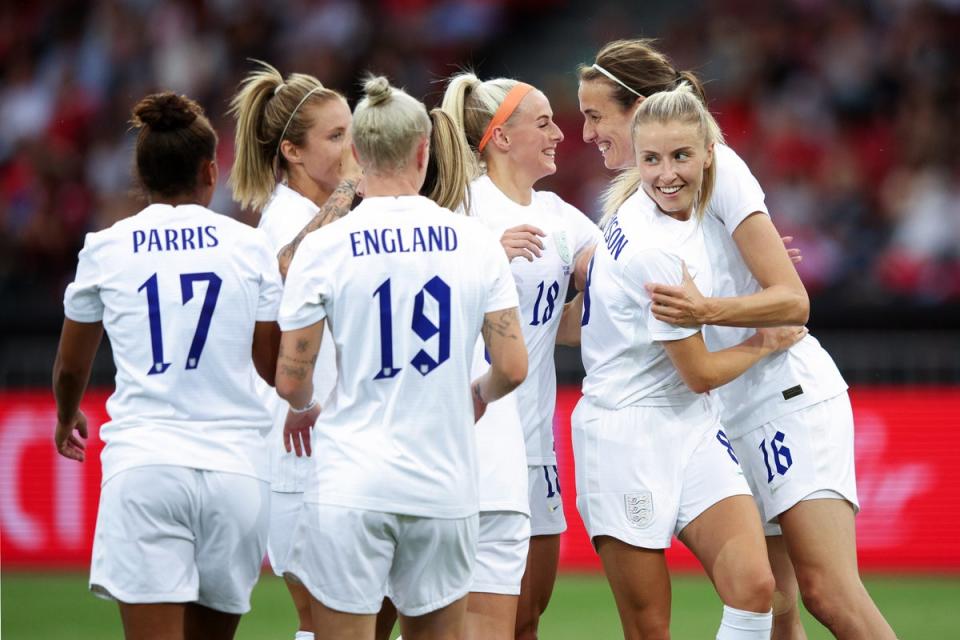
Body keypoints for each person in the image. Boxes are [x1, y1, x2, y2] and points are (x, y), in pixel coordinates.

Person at [578, 39, 896, 639]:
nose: (589, 131)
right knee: (773, 604)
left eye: (597, 115)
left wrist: (712, 306)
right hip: (725, 405)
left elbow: (793, 300)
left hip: (783, 394)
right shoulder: (637, 203)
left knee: (829, 592)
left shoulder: (720, 169)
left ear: (642, 108)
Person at [275, 75, 528, 640]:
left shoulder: (322, 246)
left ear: (358, 154)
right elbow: (512, 366)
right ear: (424, 150)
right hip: (445, 488)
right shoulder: (475, 241)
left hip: (350, 485)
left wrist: (309, 403)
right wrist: (478, 395)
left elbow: (291, 377)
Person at [571, 84, 809, 639]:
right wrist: (763, 341)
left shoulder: (670, 217)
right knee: (650, 628)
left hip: (692, 426)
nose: (664, 174)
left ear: (709, 154)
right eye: (651, 159)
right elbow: (699, 371)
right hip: (625, 434)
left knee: (755, 588)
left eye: (679, 156)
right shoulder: (656, 249)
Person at [53, 92, 283, 640]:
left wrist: (66, 417)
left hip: (147, 466)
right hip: (236, 471)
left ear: (142, 175)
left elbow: (69, 367)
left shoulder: (105, 248)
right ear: (210, 171)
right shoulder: (250, 248)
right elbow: (271, 366)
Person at [437, 71, 600, 640]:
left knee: (527, 617)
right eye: (544, 122)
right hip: (471, 436)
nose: (560, 132)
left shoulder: (561, 216)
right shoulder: (458, 212)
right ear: (501, 138)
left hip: (535, 440)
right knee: (456, 620)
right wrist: (477, 256)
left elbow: (605, 299)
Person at [228, 60, 360, 640]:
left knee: (363, 609)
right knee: (320, 616)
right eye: (336, 137)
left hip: (341, 435)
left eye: (354, 132)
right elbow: (290, 265)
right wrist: (355, 191)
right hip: (301, 441)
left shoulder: (337, 216)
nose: (352, 149)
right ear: (292, 152)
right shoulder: (285, 221)